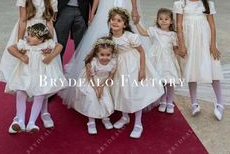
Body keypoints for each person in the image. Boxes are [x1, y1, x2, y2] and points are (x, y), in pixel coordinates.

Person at [0, 0, 58, 130]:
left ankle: (43, 112)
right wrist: (20, 43)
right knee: (24, 72)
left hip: (45, 36)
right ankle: (19, 117)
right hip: (27, 35)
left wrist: (50, 44)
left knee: (44, 73)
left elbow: (50, 23)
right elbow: (23, 21)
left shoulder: (52, 1)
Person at [173, 0, 224, 120]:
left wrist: (213, 45)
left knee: (213, 69)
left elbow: (212, 26)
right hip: (190, 41)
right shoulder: (181, 3)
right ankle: (194, 102)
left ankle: (220, 103)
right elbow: (179, 25)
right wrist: (181, 45)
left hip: (205, 40)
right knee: (192, 70)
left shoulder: (208, 4)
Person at [108, 7, 164, 138]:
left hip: (133, 66)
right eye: (112, 20)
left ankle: (138, 123)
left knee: (134, 92)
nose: (115, 23)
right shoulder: (109, 37)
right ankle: (124, 116)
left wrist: (142, 69)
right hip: (119, 67)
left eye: (119, 21)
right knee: (121, 91)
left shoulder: (131, 37)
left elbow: (141, 51)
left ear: (125, 24)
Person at [6, 23, 66, 133]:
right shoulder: (24, 44)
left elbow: (60, 46)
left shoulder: (47, 44)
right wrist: (21, 56)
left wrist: (50, 56)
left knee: (39, 96)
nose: (28, 37)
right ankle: (20, 121)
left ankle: (31, 123)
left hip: (41, 76)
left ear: (41, 39)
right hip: (25, 75)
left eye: (32, 36)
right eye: (28, 34)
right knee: (20, 93)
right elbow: (10, 48)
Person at [136, 8, 181, 114]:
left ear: (171, 21)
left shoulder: (173, 34)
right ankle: (162, 101)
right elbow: (142, 32)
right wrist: (137, 23)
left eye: (166, 19)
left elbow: (175, 49)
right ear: (157, 20)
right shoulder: (154, 31)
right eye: (161, 19)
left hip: (168, 60)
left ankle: (170, 102)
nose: (163, 21)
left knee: (169, 82)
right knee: (160, 81)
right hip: (156, 59)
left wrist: (179, 56)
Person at [73, 37, 117, 135]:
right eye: (102, 54)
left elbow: (110, 76)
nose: (105, 57)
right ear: (97, 53)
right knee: (92, 98)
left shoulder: (113, 62)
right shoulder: (93, 62)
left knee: (106, 99)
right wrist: (96, 88)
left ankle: (105, 117)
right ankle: (91, 120)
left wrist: (102, 87)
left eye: (108, 55)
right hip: (91, 82)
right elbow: (90, 78)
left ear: (112, 54)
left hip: (104, 82)